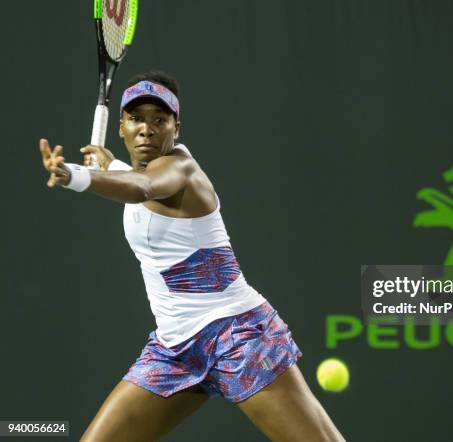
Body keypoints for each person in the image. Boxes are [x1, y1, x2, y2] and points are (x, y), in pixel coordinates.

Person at [39, 71, 345, 442]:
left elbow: (145, 187)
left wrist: (74, 175)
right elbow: (135, 179)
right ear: (120, 127)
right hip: (174, 351)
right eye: (136, 118)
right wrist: (110, 165)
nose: (147, 129)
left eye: (159, 119)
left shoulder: (179, 169)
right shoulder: (132, 171)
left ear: (176, 129)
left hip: (239, 337)